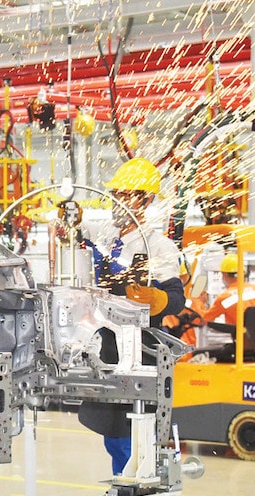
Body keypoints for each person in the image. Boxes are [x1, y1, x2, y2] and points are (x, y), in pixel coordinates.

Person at [78, 157, 185, 478]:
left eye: (127, 196)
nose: (119, 202)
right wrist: (69, 218)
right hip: (108, 350)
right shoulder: (106, 237)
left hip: (141, 351)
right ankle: (125, 492)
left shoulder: (159, 246)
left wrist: (159, 299)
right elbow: (77, 227)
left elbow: (177, 299)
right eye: (117, 195)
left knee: (135, 438)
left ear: (146, 200)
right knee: (115, 438)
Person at [202, 253, 255, 325]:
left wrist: (200, 302)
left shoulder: (224, 298)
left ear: (224, 274)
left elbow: (204, 320)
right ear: (243, 273)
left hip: (239, 338)